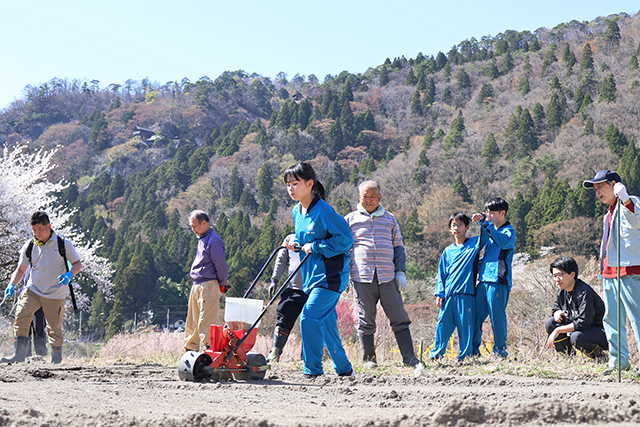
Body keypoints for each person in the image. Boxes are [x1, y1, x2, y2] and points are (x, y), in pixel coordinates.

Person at [283, 162, 354, 378]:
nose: (291, 189)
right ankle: (344, 369)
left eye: (295, 183)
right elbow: (307, 237)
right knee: (328, 324)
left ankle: (312, 370)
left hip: (330, 277)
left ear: (310, 183)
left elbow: (345, 239)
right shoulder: (298, 211)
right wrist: (295, 240)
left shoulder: (324, 210)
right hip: (311, 277)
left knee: (309, 318)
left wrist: (314, 247)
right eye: (288, 185)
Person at [344, 180, 419, 368]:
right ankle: (369, 359)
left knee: (399, 316)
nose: (368, 200)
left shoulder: (390, 219)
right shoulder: (349, 220)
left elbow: (398, 247)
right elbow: (344, 248)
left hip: (388, 276)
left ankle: (409, 358)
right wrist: (345, 273)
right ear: (359, 197)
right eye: (364, 196)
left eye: (372, 196)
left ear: (379, 197)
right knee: (365, 318)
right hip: (361, 276)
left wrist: (400, 271)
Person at [1, 211, 82, 364]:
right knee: (21, 316)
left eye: (39, 229)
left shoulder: (63, 244)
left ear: (49, 226)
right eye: (34, 230)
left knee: (54, 327)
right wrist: (12, 284)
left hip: (55, 293)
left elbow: (78, 264)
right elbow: (21, 269)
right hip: (33, 290)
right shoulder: (30, 245)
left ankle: (56, 360)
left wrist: (69, 274)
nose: (37, 233)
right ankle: (18, 355)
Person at [583, 169, 640, 375]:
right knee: (612, 319)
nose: (597, 191)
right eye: (595, 189)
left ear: (614, 184)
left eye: (600, 186)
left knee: (637, 317)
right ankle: (618, 362)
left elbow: (637, 220)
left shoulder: (629, 202)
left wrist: (624, 197)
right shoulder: (609, 212)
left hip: (629, 270)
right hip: (609, 272)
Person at [430, 212, 487, 361]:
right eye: (454, 225)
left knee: (465, 327)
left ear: (467, 227)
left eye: (460, 224)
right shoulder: (447, 251)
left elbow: (487, 235)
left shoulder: (474, 243)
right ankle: (436, 356)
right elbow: (441, 275)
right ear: (450, 228)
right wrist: (439, 294)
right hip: (449, 295)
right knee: (442, 327)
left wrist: (482, 220)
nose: (457, 228)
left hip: (466, 294)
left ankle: (465, 357)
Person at [472, 197, 516, 358]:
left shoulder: (508, 232)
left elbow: (503, 243)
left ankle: (500, 351)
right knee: (475, 315)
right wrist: (482, 223)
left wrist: (487, 223)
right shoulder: (490, 230)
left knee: (497, 318)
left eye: (491, 213)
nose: (488, 215)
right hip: (483, 281)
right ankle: (473, 350)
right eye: (486, 212)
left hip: (498, 281)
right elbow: (483, 249)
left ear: (502, 213)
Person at [184, 210, 229, 352]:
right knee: (193, 320)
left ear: (204, 223)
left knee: (206, 319)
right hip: (198, 283)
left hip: (208, 284)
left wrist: (222, 283)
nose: (193, 229)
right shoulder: (203, 238)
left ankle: (209, 351)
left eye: (194, 226)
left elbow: (220, 264)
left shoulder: (213, 240)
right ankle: (190, 349)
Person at [545, 256, 607, 358]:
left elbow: (584, 323)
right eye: (554, 275)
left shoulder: (585, 293)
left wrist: (558, 330)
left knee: (577, 336)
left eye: (560, 275)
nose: (557, 279)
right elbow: (556, 308)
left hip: (599, 332)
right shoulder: (562, 290)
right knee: (551, 323)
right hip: (581, 329)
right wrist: (556, 312)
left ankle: (598, 356)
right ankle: (568, 356)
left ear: (572, 274)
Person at [267, 233, 307, 363]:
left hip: (314, 289)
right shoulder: (290, 238)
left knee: (310, 322)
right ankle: (275, 351)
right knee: (283, 315)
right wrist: (274, 279)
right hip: (293, 288)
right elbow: (281, 261)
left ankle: (306, 356)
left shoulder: (319, 236)